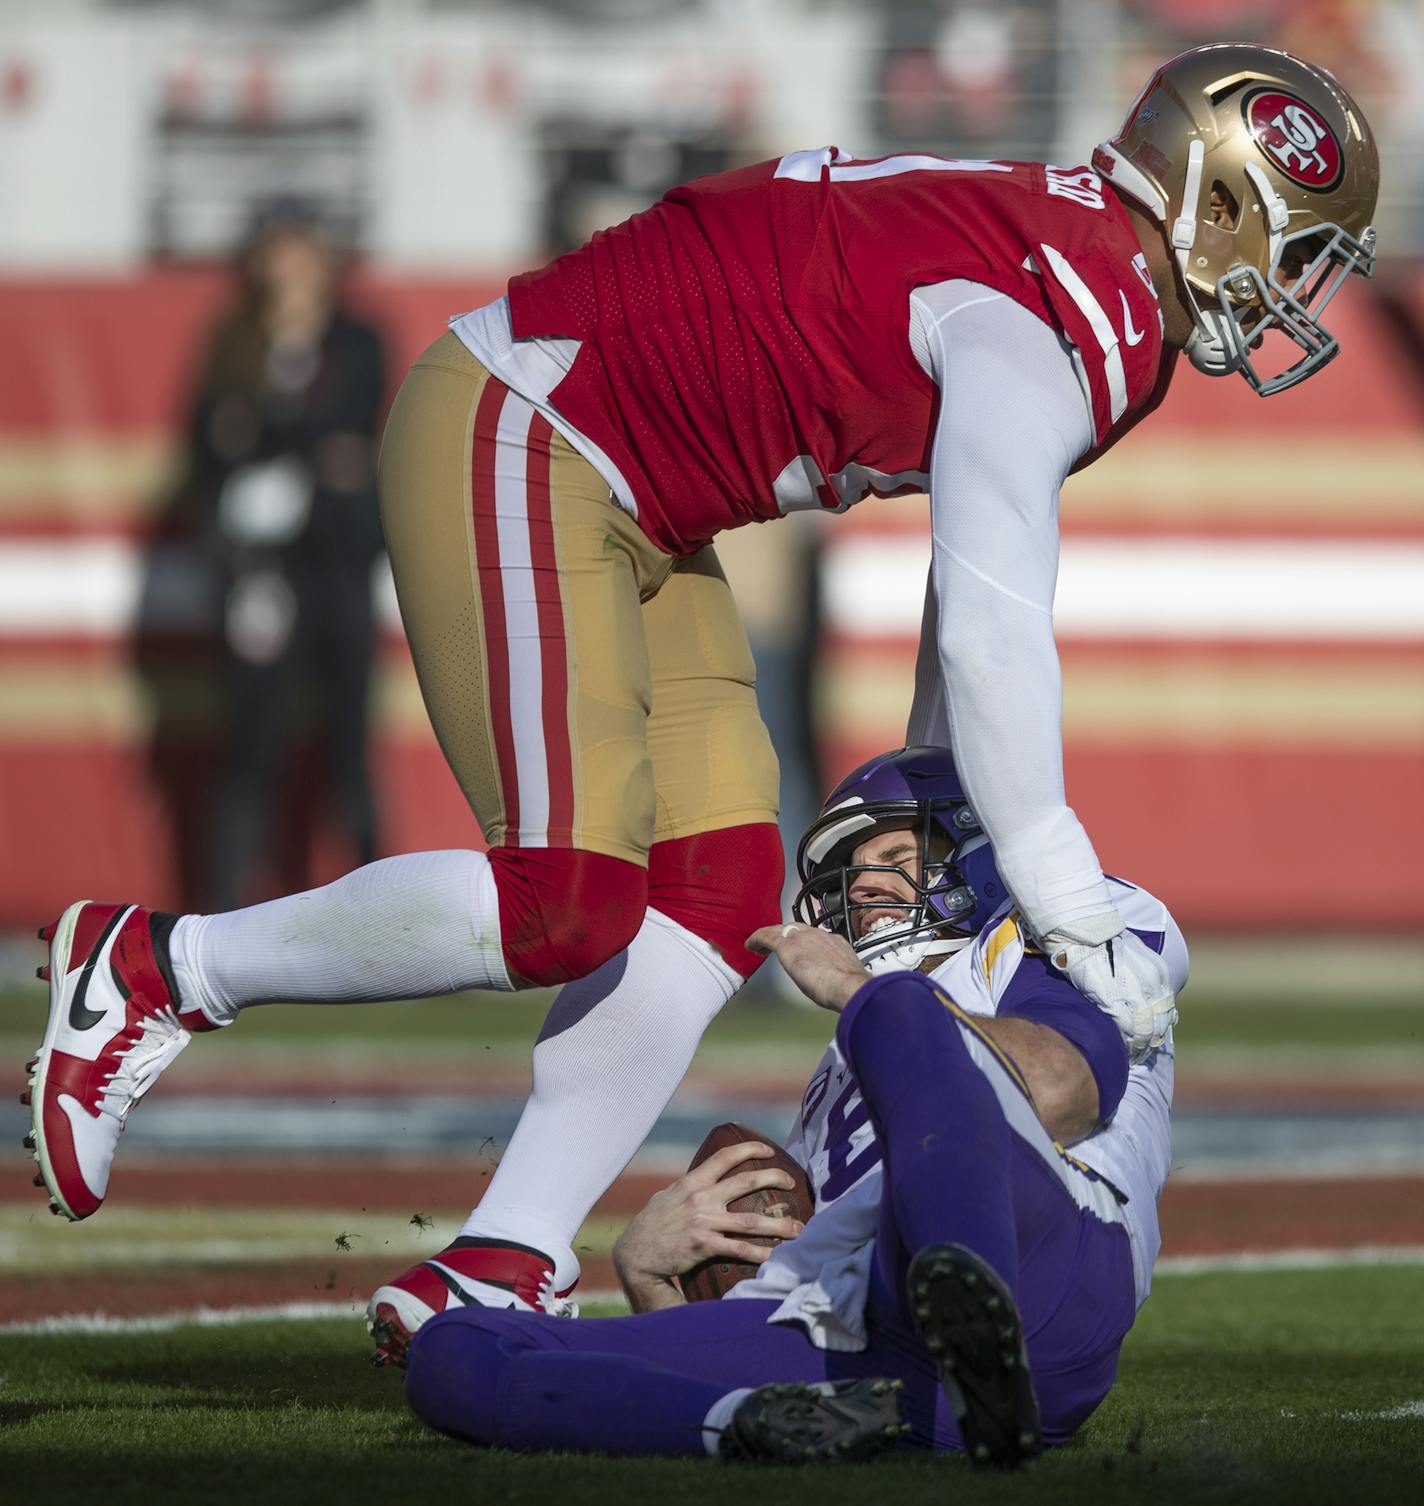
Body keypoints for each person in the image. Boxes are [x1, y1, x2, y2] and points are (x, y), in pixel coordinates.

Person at [25, 44, 1358, 1343]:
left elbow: (973, 595)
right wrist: (1065, 902)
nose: (1302, 291)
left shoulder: (1073, 265)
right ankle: (156, 968)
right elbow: (999, 631)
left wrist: (935, 795)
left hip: (639, 494)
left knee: (719, 890)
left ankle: (500, 1257)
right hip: (532, 417)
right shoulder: (1076, 304)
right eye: (1299, 248)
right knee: (565, 895)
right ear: (1218, 200)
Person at [398, 746, 1187, 1466]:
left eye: (893, 855)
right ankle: (748, 1425)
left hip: (1042, 1267)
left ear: (976, 859)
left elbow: (1057, 1091)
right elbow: (788, 1283)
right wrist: (647, 1276)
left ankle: (974, 1327)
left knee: (907, 1014)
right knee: (455, 1352)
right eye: (851, 868)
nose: (866, 882)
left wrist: (859, 991)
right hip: (865, 1343)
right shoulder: (842, 1066)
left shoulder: (1052, 931)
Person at [185, 201, 388, 911]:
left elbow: (353, 431)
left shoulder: (358, 339)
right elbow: (209, 446)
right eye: (280, 254)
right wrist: (307, 449)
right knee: (250, 746)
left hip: (337, 567)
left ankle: (387, 915)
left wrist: (266, 433)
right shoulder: (233, 343)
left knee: (350, 750)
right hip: (260, 573)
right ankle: (218, 915)